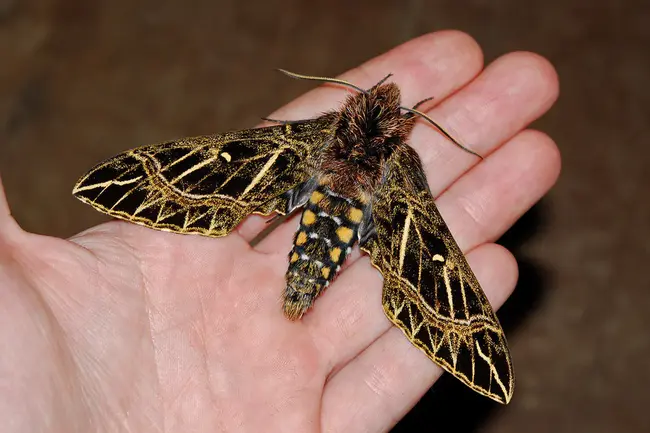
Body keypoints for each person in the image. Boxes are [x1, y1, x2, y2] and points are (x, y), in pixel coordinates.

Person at [0, 31, 560, 432]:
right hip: (353, 224)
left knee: (222, 160)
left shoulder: (316, 142)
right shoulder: (402, 175)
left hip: (312, 207)